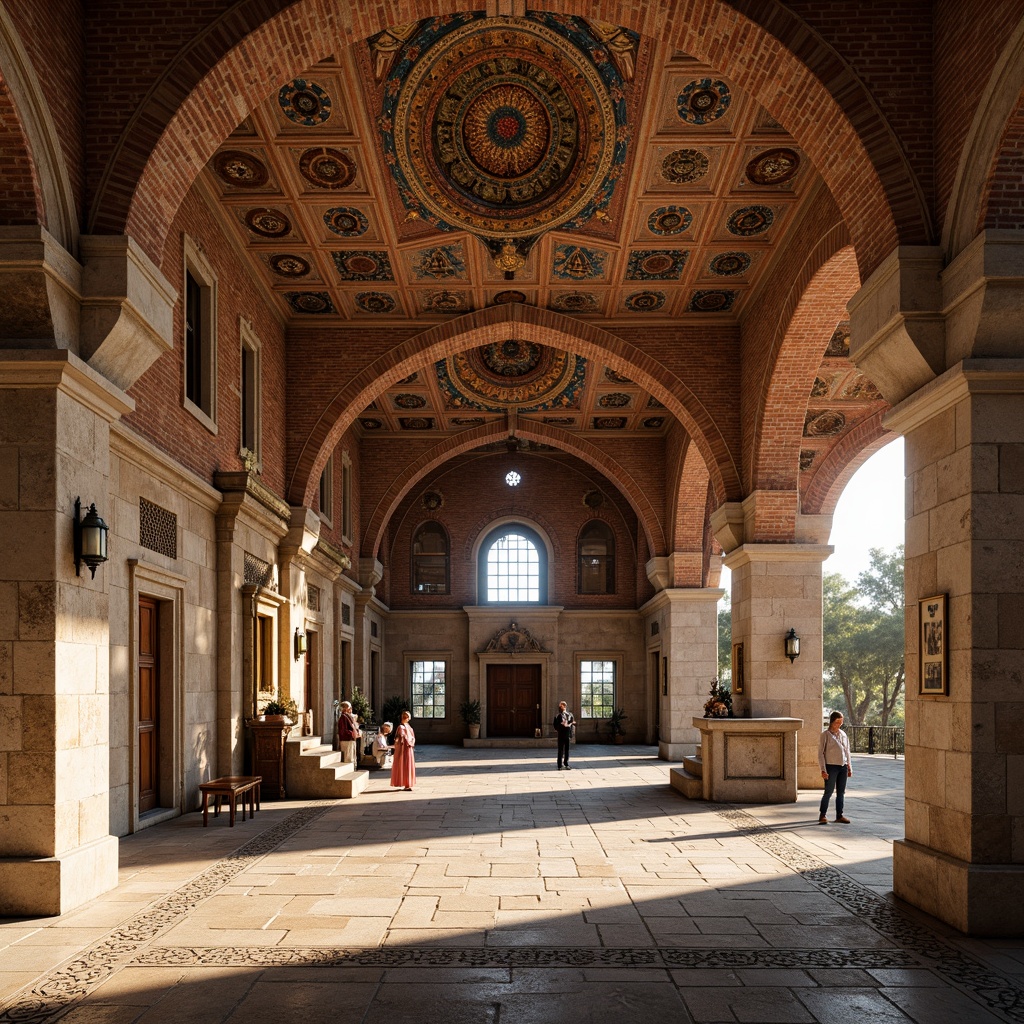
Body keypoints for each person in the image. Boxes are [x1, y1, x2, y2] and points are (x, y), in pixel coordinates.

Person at [818, 710, 852, 823]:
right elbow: (820, 753)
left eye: (841, 722)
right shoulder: (825, 735)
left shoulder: (843, 734)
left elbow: (847, 751)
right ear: (832, 721)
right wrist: (823, 769)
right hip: (831, 766)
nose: (839, 724)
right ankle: (822, 815)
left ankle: (839, 815)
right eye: (837, 721)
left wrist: (849, 766)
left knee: (841, 792)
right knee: (828, 791)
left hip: (843, 766)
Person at [391, 710, 416, 790]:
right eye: (406, 717)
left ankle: (407, 783)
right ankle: (406, 784)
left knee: (407, 765)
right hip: (404, 749)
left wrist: (411, 742)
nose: (407, 719)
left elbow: (412, 736)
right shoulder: (401, 727)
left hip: (408, 748)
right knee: (405, 765)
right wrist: (409, 742)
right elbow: (400, 737)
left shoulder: (407, 726)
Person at [553, 700, 575, 770]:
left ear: (565, 706)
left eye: (562, 706)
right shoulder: (558, 716)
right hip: (561, 734)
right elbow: (555, 725)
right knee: (560, 750)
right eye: (560, 706)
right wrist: (560, 725)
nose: (560, 707)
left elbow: (572, 723)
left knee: (567, 750)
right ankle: (559, 765)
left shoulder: (570, 714)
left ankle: (566, 764)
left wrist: (569, 725)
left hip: (567, 734)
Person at [337, 700, 361, 765]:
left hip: (351, 740)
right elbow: (343, 731)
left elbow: (353, 727)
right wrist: (353, 734)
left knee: (352, 758)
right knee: (348, 759)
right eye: (350, 708)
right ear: (346, 708)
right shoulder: (343, 717)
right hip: (347, 740)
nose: (351, 709)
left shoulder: (348, 716)